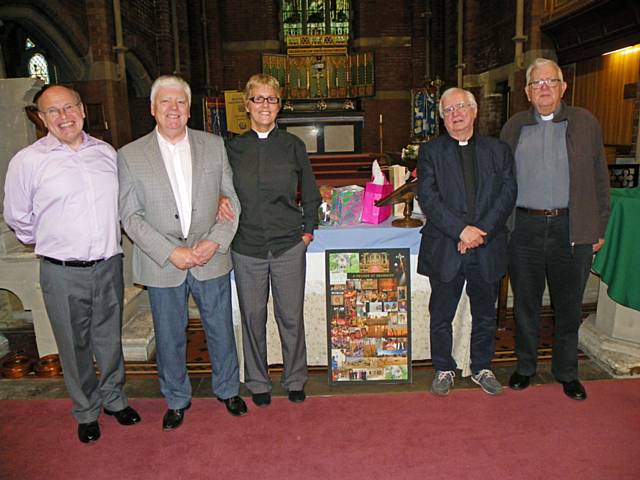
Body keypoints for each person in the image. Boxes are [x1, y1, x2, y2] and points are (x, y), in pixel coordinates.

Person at [3, 85, 140, 443]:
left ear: (82, 110)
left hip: (108, 264)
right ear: (41, 117)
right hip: (61, 271)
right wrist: (57, 240)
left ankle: (114, 399)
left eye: (69, 108)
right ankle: (86, 411)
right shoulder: (28, 161)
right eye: (53, 111)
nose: (64, 117)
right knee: (73, 344)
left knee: (109, 339)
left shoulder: (106, 153)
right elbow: (18, 218)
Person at [118, 75, 247, 430]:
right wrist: (171, 252)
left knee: (220, 328)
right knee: (169, 334)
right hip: (163, 261)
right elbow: (130, 216)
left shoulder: (214, 145)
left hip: (211, 254)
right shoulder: (129, 155)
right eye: (165, 102)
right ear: (152, 109)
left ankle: (227, 389)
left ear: (189, 109)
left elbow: (231, 199)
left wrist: (214, 242)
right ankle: (176, 398)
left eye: (179, 102)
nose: (173, 109)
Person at [500, 58, 610, 401]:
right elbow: (502, 182)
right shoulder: (514, 127)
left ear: (564, 87)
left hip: (571, 226)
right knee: (526, 304)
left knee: (568, 305)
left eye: (551, 81)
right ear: (527, 92)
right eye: (537, 83)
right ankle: (526, 367)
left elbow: (599, 180)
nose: (544, 88)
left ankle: (567, 372)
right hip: (525, 228)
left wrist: (598, 227)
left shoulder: (584, 122)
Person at [225, 74, 321, 407]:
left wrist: (308, 231)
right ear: (247, 105)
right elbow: (218, 188)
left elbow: (310, 192)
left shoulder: (293, 145)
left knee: (290, 315)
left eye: (272, 99)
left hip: (288, 245)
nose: (265, 105)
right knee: (253, 316)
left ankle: (295, 378)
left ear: (279, 105)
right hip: (247, 246)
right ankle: (257, 380)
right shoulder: (233, 148)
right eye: (258, 99)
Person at [417, 87, 517, 396]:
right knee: (442, 313)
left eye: (460, 107)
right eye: (448, 110)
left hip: (486, 246)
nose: (455, 114)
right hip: (447, 245)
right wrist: (461, 231)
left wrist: (478, 232)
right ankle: (444, 367)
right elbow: (429, 198)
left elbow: (507, 193)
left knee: (485, 313)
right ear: (442, 119)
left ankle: (481, 366)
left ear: (474, 111)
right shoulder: (431, 152)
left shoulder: (498, 150)